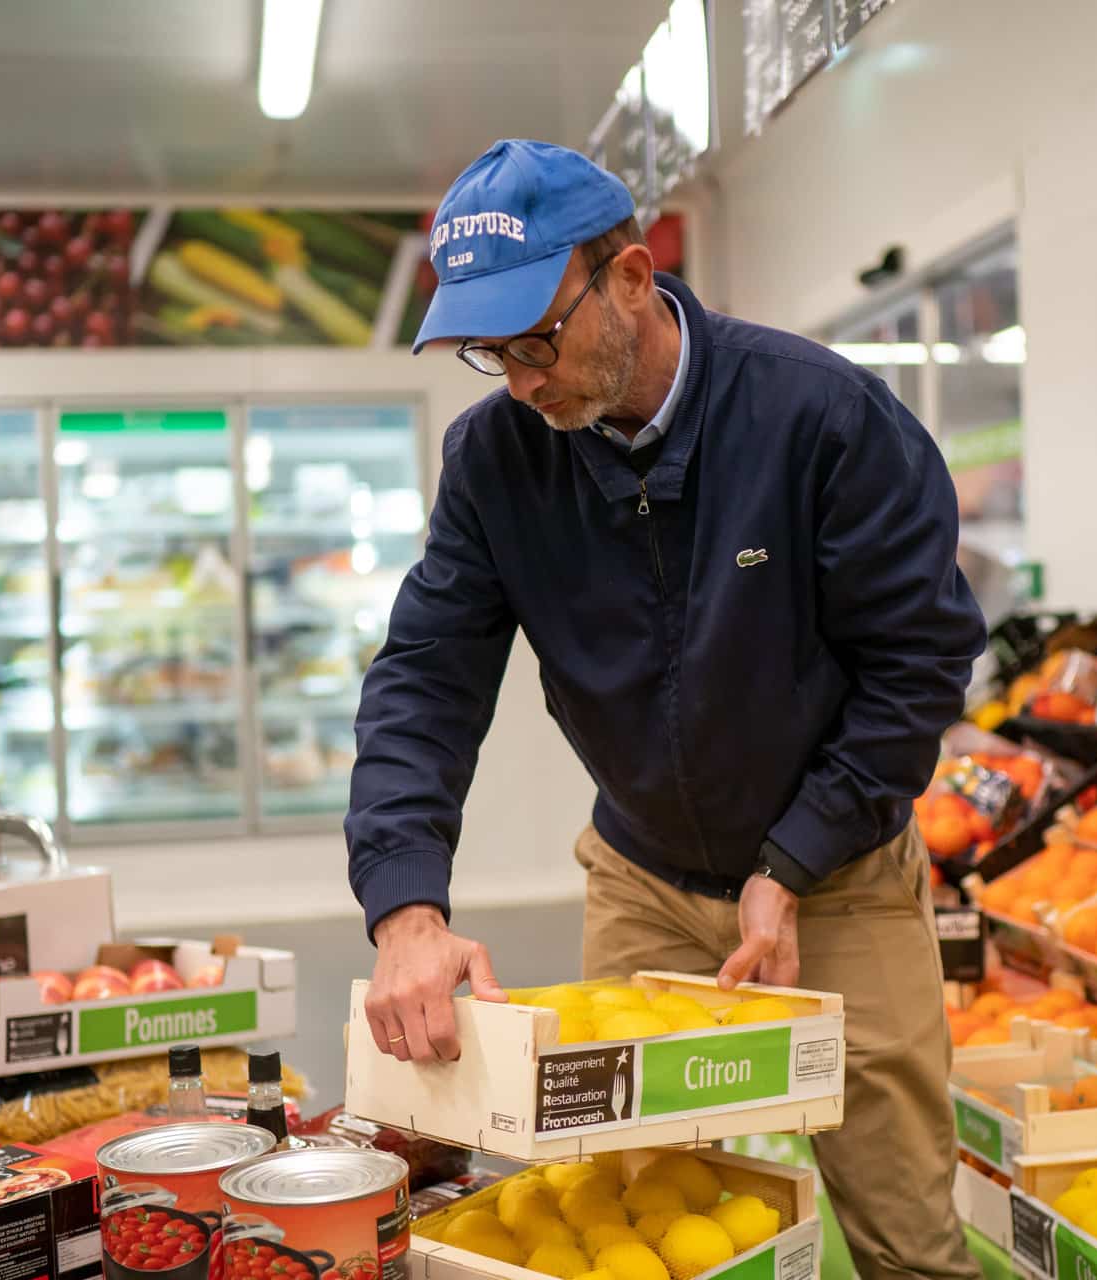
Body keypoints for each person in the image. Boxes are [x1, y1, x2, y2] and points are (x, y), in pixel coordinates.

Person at [346, 139, 987, 1280]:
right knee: (627, 1228)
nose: (521, 381)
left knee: (906, 1238)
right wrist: (405, 905)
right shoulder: (495, 459)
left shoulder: (820, 418)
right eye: (489, 353)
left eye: (536, 339)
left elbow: (920, 665)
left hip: (839, 880)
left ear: (632, 279)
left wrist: (796, 857)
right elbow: (426, 677)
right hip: (641, 878)